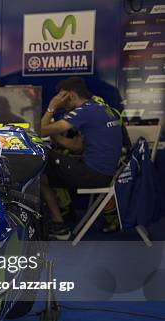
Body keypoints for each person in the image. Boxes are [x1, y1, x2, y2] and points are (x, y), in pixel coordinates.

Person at [40, 76, 123, 240]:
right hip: (105, 174)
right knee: (44, 176)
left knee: (42, 158)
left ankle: (60, 225)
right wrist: (55, 136)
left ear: (69, 95)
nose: (61, 103)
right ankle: (60, 222)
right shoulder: (100, 108)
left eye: (61, 98)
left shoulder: (85, 111)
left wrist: (51, 108)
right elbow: (77, 146)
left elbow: (41, 131)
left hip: (93, 175)